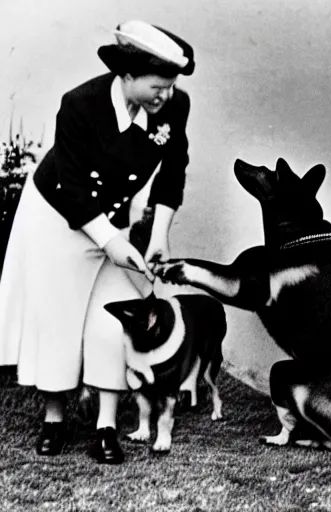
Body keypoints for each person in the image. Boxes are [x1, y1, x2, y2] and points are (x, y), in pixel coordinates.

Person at [0, 19, 195, 464]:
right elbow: (69, 183)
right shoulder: (80, 105)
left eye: (170, 86)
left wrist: (158, 234)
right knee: (59, 319)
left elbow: (173, 169)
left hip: (112, 223)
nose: (165, 95)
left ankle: (106, 425)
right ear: (126, 76)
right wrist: (110, 241)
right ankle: (55, 419)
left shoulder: (174, 107)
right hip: (58, 216)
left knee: (116, 318)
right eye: (156, 86)